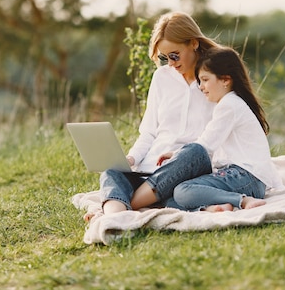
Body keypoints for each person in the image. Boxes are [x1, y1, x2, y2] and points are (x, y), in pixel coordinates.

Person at [86, 11, 218, 221]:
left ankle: (120, 207)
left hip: (188, 168)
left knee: (186, 174)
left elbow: (217, 139)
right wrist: (131, 158)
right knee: (111, 173)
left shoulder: (215, 80)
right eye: (165, 58)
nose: (171, 63)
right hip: (150, 171)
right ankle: (115, 221)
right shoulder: (161, 77)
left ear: (193, 43)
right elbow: (148, 132)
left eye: (175, 55)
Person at [163, 46, 284, 212]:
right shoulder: (232, 103)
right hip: (246, 179)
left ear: (225, 80)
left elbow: (204, 147)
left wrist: (178, 156)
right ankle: (213, 207)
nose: (201, 86)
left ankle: (241, 200)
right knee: (170, 200)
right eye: (199, 81)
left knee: (182, 191)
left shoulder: (229, 105)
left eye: (205, 80)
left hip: (246, 177)